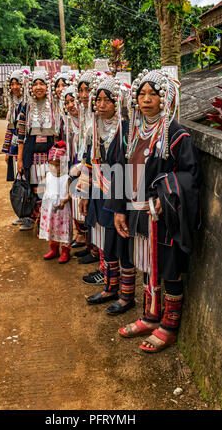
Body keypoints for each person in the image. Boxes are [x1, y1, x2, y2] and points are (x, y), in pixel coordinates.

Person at [105, 69, 201, 351]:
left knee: (168, 269)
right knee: (148, 265)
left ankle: (169, 326)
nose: (146, 99)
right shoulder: (132, 132)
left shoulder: (176, 134)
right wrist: (119, 210)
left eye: (153, 94)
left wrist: (166, 193)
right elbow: (121, 171)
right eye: (142, 94)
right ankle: (150, 316)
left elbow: (190, 174)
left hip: (163, 215)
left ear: (165, 99)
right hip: (136, 212)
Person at [80, 76, 137, 315]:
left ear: (118, 102)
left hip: (120, 196)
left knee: (122, 245)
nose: (102, 105)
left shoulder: (125, 130)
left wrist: (120, 206)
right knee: (107, 244)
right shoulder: (96, 128)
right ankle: (110, 286)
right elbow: (90, 161)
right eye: (98, 100)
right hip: (100, 192)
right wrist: (84, 192)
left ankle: (127, 295)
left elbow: (128, 168)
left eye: (108, 100)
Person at [17, 70, 56, 231]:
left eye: (42, 84)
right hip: (32, 156)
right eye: (35, 84)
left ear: (47, 86)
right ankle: (34, 217)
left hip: (50, 155)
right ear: (31, 87)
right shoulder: (26, 108)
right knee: (34, 186)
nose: (38, 87)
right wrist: (19, 159)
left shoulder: (55, 107)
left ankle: (49, 219)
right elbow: (20, 135)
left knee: (49, 187)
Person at [72, 70, 103, 269]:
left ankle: (99, 258)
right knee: (88, 208)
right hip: (87, 166)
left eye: (88, 90)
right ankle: (92, 248)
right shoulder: (85, 113)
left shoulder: (100, 116)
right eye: (81, 90)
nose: (84, 95)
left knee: (96, 211)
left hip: (100, 172)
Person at [39, 141, 72, 264]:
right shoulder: (48, 176)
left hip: (63, 210)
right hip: (50, 210)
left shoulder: (66, 178)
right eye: (51, 165)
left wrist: (64, 200)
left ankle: (65, 251)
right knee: (51, 228)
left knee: (63, 229)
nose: (53, 168)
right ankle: (53, 249)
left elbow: (70, 194)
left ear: (63, 164)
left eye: (56, 165)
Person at [1, 69, 27, 225]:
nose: (15, 87)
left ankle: (29, 215)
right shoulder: (13, 104)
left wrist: (20, 153)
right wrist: (7, 152)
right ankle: (21, 213)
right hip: (14, 147)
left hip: (23, 147)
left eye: (18, 83)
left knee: (26, 181)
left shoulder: (27, 103)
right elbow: (10, 127)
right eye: (12, 84)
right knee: (17, 182)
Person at [63, 85, 86, 249]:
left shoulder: (89, 121)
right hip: (73, 166)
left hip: (85, 167)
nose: (71, 105)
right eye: (67, 102)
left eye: (73, 100)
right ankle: (81, 234)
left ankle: (87, 239)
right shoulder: (68, 123)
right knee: (75, 200)